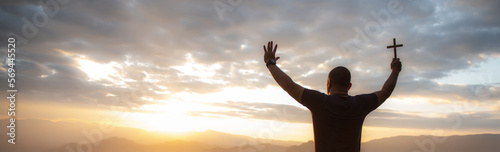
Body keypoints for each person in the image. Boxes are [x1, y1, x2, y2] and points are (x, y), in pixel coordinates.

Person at [263, 41, 402, 152]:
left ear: (328, 84)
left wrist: (270, 64)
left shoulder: (320, 102)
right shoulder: (361, 104)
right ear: (349, 86)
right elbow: (386, 91)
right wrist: (395, 70)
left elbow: (289, 85)